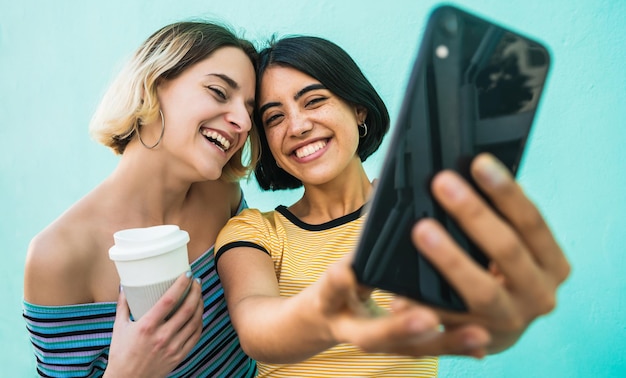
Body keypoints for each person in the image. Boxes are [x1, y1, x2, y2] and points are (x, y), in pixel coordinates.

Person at [214, 36, 571, 377]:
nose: (298, 126)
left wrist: (498, 327)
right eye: (274, 117)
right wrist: (329, 312)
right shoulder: (254, 231)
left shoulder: (422, 212)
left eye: (314, 100)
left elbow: (482, 319)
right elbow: (255, 328)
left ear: (359, 110)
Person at [23, 21, 260, 377]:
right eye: (218, 91)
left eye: (250, 109)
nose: (242, 121)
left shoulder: (222, 195)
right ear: (154, 85)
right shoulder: (57, 256)